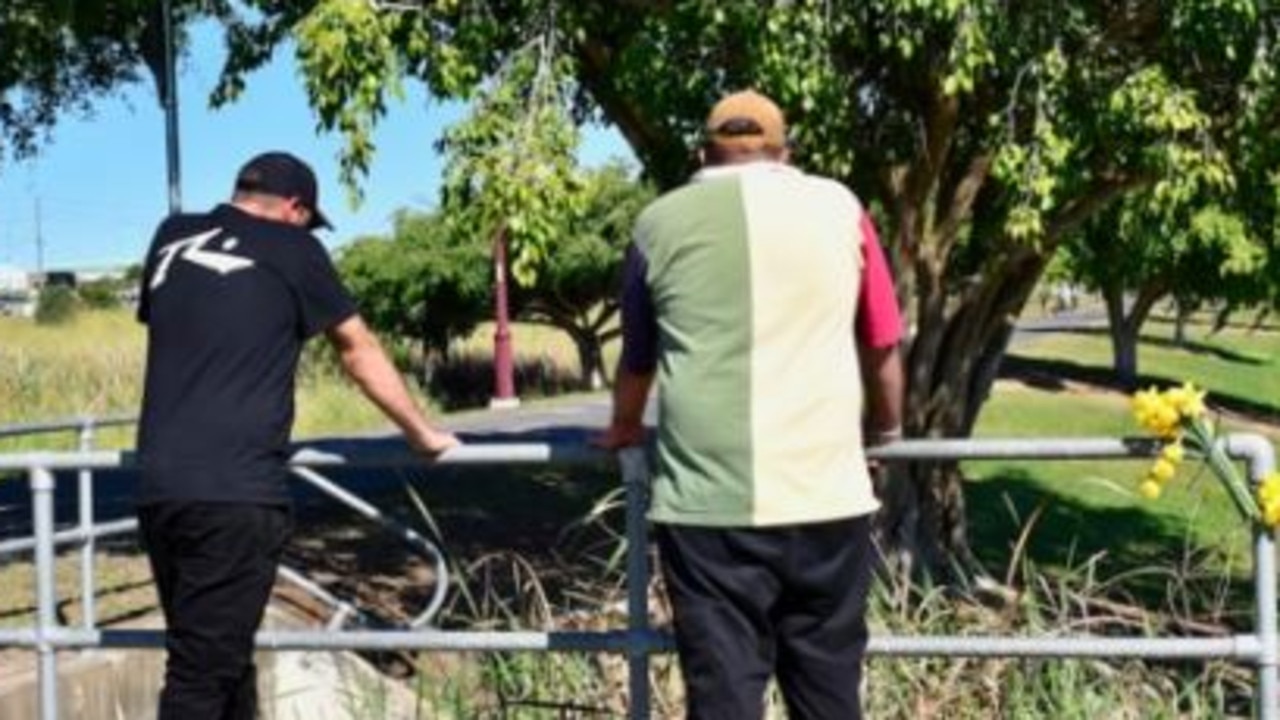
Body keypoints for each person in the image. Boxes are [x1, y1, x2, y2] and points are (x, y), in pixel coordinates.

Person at [596, 90, 905, 719]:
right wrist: (887, 428)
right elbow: (881, 341)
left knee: (724, 698)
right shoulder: (841, 208)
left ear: (700, 153)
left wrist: (623, 426)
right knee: (828, 695)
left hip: (709, 505)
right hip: (826, 492)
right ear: (785, 151)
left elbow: (638, 358)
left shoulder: (658, 223)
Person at [134, 150, 460, 720]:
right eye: (310, 221)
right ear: (295, 208)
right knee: (199, 679)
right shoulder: (294, 248)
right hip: (235, 492)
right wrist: (423, 433)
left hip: (160, 485)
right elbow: (359, 352)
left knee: (225, 664)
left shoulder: (170, 236)